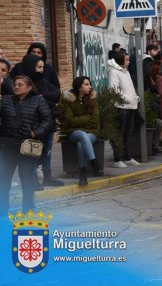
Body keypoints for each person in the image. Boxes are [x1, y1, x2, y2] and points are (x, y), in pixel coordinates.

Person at [0, 76, 53, 215]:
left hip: (28, 145)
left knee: (27, 178)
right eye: (15, 84)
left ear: (29, 87)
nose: (16, 87)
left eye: (20, 84)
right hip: (7, 146)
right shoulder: (6, 100)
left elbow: (47, 120)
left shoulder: (38, 100)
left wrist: (36, 133)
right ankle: (2, 208)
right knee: (3, 177)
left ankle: (28, 208)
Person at [20, 54, 62, 188]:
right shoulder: (24, 83)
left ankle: (47, 176)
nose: (41, 71)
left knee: (47, 152)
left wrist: (44, 95)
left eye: (42, 67)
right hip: (34, 124)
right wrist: (44, 97)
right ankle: (33, 179)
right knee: (33, 152)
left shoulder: (43, 81)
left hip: (48, 122)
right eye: (38, 67)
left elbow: (57, 95)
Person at [60, 76, 102, 186]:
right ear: (79, 87)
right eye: (87, 84)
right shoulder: (68, 99)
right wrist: (87, 117)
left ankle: (82, 174)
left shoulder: (92, 98)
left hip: (92, 131)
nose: (90, 87)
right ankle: (94, 164)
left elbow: (95, 120)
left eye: (89, 84)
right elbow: (69, 120)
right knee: (82, 135)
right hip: (73, 131)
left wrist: (80, 121)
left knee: (81, 142)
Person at [107, 51, 140, 168]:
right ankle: (118, 158)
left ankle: (128, 157)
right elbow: (114, 90)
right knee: (119, 133)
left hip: (130, 106)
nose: (129, 62)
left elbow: (129, 87)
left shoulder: (125, 71)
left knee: (128, 133)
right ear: (121, 60)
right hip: (121, 107)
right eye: (126, 60)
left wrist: (134, 98)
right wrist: (127, 99)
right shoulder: (114, 72)